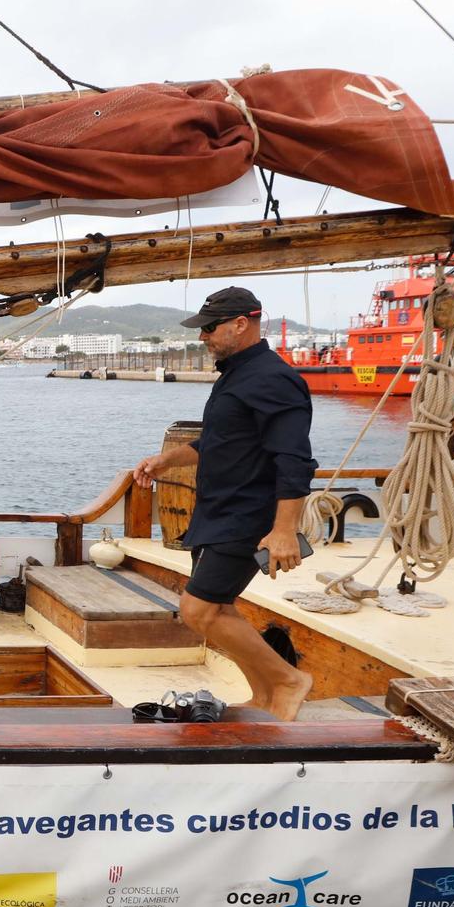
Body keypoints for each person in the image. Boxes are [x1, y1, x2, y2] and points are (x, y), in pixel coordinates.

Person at [133, 287, 315, 721]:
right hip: (217, 512)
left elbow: (294, 460)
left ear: (242, 323)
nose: (203, 337)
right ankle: (263, 694)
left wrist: (285, 529)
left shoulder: (273, 378)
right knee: (221, 607)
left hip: (247, 516)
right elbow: (218, 441)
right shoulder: (235, 374)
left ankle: (290, 681)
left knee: (198, 609)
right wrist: (167, 460)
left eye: (210, 328)